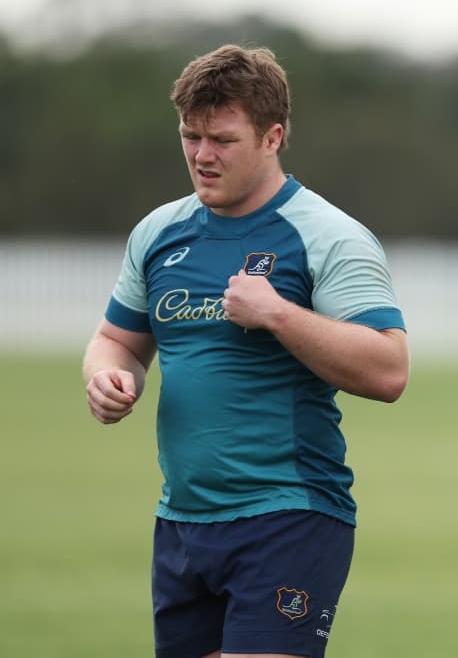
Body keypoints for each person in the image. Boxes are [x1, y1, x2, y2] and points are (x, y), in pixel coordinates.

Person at [82, 44, 409, 658]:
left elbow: (390, 370)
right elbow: (115, 341)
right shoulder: (159, 234)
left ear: (272, 137)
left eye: (223, 140)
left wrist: (280, 315)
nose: (202, 156)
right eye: (191, 136)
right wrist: (107, 376)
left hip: (288, 516)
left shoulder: (327, 237)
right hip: (182, 521)